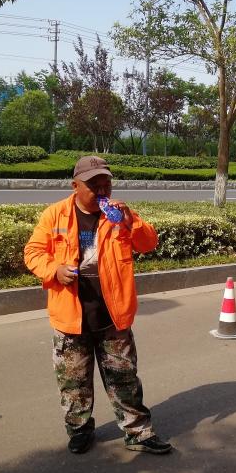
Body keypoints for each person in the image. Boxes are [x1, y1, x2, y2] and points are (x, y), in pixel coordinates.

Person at [24, 155, 171, 455]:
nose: (102, 191)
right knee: (73, 382)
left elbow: (149, 243)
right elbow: (33, 252)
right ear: (75, 186)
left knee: (124, 379)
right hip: (71, 316)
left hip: (113, 316)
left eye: (107, 184)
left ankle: (138, 432)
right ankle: (79, 430)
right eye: (94, 185)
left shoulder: (119, 214)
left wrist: (131, 222)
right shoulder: (55, 215)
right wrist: (54, 270)